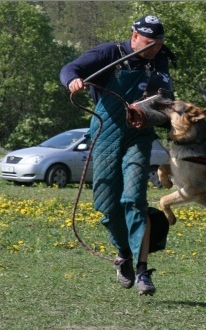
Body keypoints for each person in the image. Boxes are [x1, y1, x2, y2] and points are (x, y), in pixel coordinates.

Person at [59, 15, 175, 295]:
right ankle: (124, 253)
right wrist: (73, 81)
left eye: (158, 44)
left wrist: (150, 111)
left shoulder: (159, 59)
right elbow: (69, 68)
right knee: (107, 205)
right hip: (105, 133)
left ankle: (143, 271)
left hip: (139, 136)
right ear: (134, 35)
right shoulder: (110, 53)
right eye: (148, 43)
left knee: (134, 198)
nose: (153, 49)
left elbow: (165, 97)